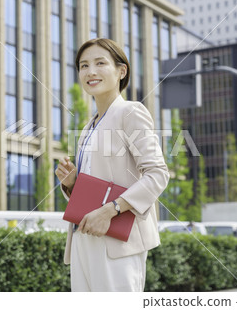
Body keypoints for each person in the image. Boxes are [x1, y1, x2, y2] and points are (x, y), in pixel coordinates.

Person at [54, 38, 169, 292]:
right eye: (83, 66)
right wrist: (72, 183)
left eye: (100, 63)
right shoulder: (87, 127)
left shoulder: (130, 112)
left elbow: (158, 174)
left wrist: (110, 210)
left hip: (118, 240)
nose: (90, 71)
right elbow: (100, 183)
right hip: (84, 238)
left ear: (121, 71)